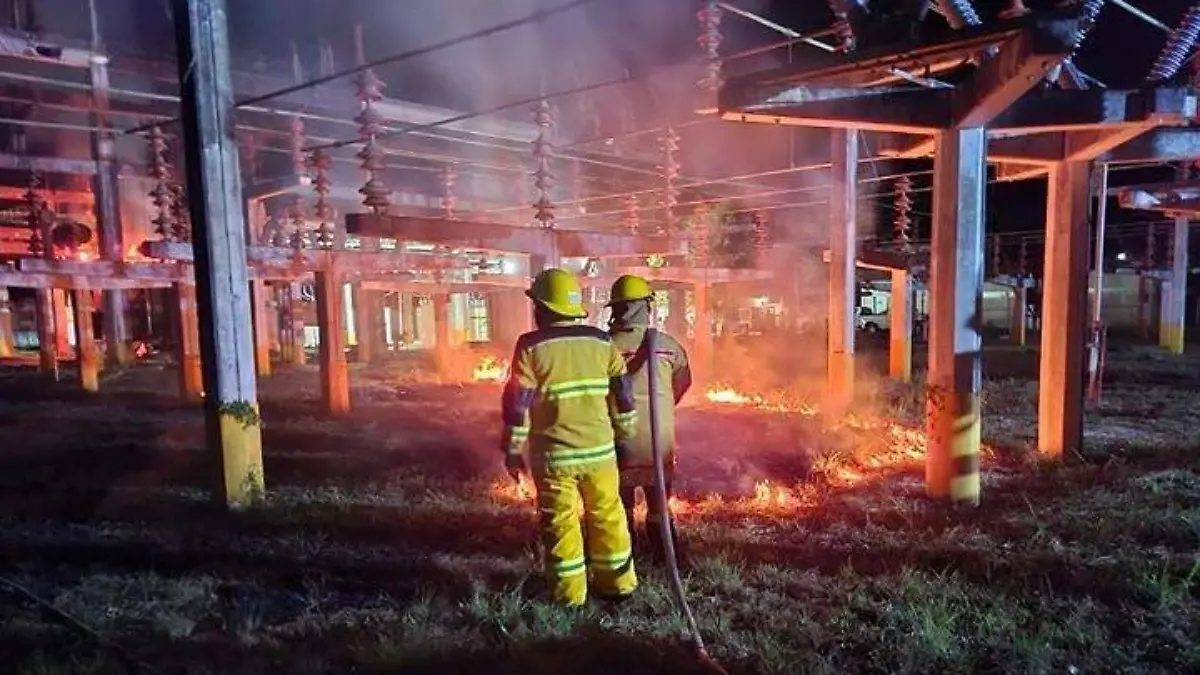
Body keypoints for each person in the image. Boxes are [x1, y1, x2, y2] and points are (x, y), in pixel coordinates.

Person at [501, 268, 639, 606]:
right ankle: (617, 585)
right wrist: (625, 435)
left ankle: (570, 597)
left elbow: (518, 405)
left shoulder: (530, 347)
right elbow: (623, 394)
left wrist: (513, 449)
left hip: (554, 458)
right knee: (608, 515)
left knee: (561, 524)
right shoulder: (601, 342)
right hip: (600, 452)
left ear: (543, 309)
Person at [605, 274, 692, 564]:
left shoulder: (602, 347)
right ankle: (665, 555)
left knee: (620, 504)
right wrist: (664, 407)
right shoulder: (667, 345)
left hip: (617, 440)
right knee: (658, 505)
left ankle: (624, 554)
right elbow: (682, 382)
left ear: (615, 309)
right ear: (647, 307)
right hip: (659, 442)